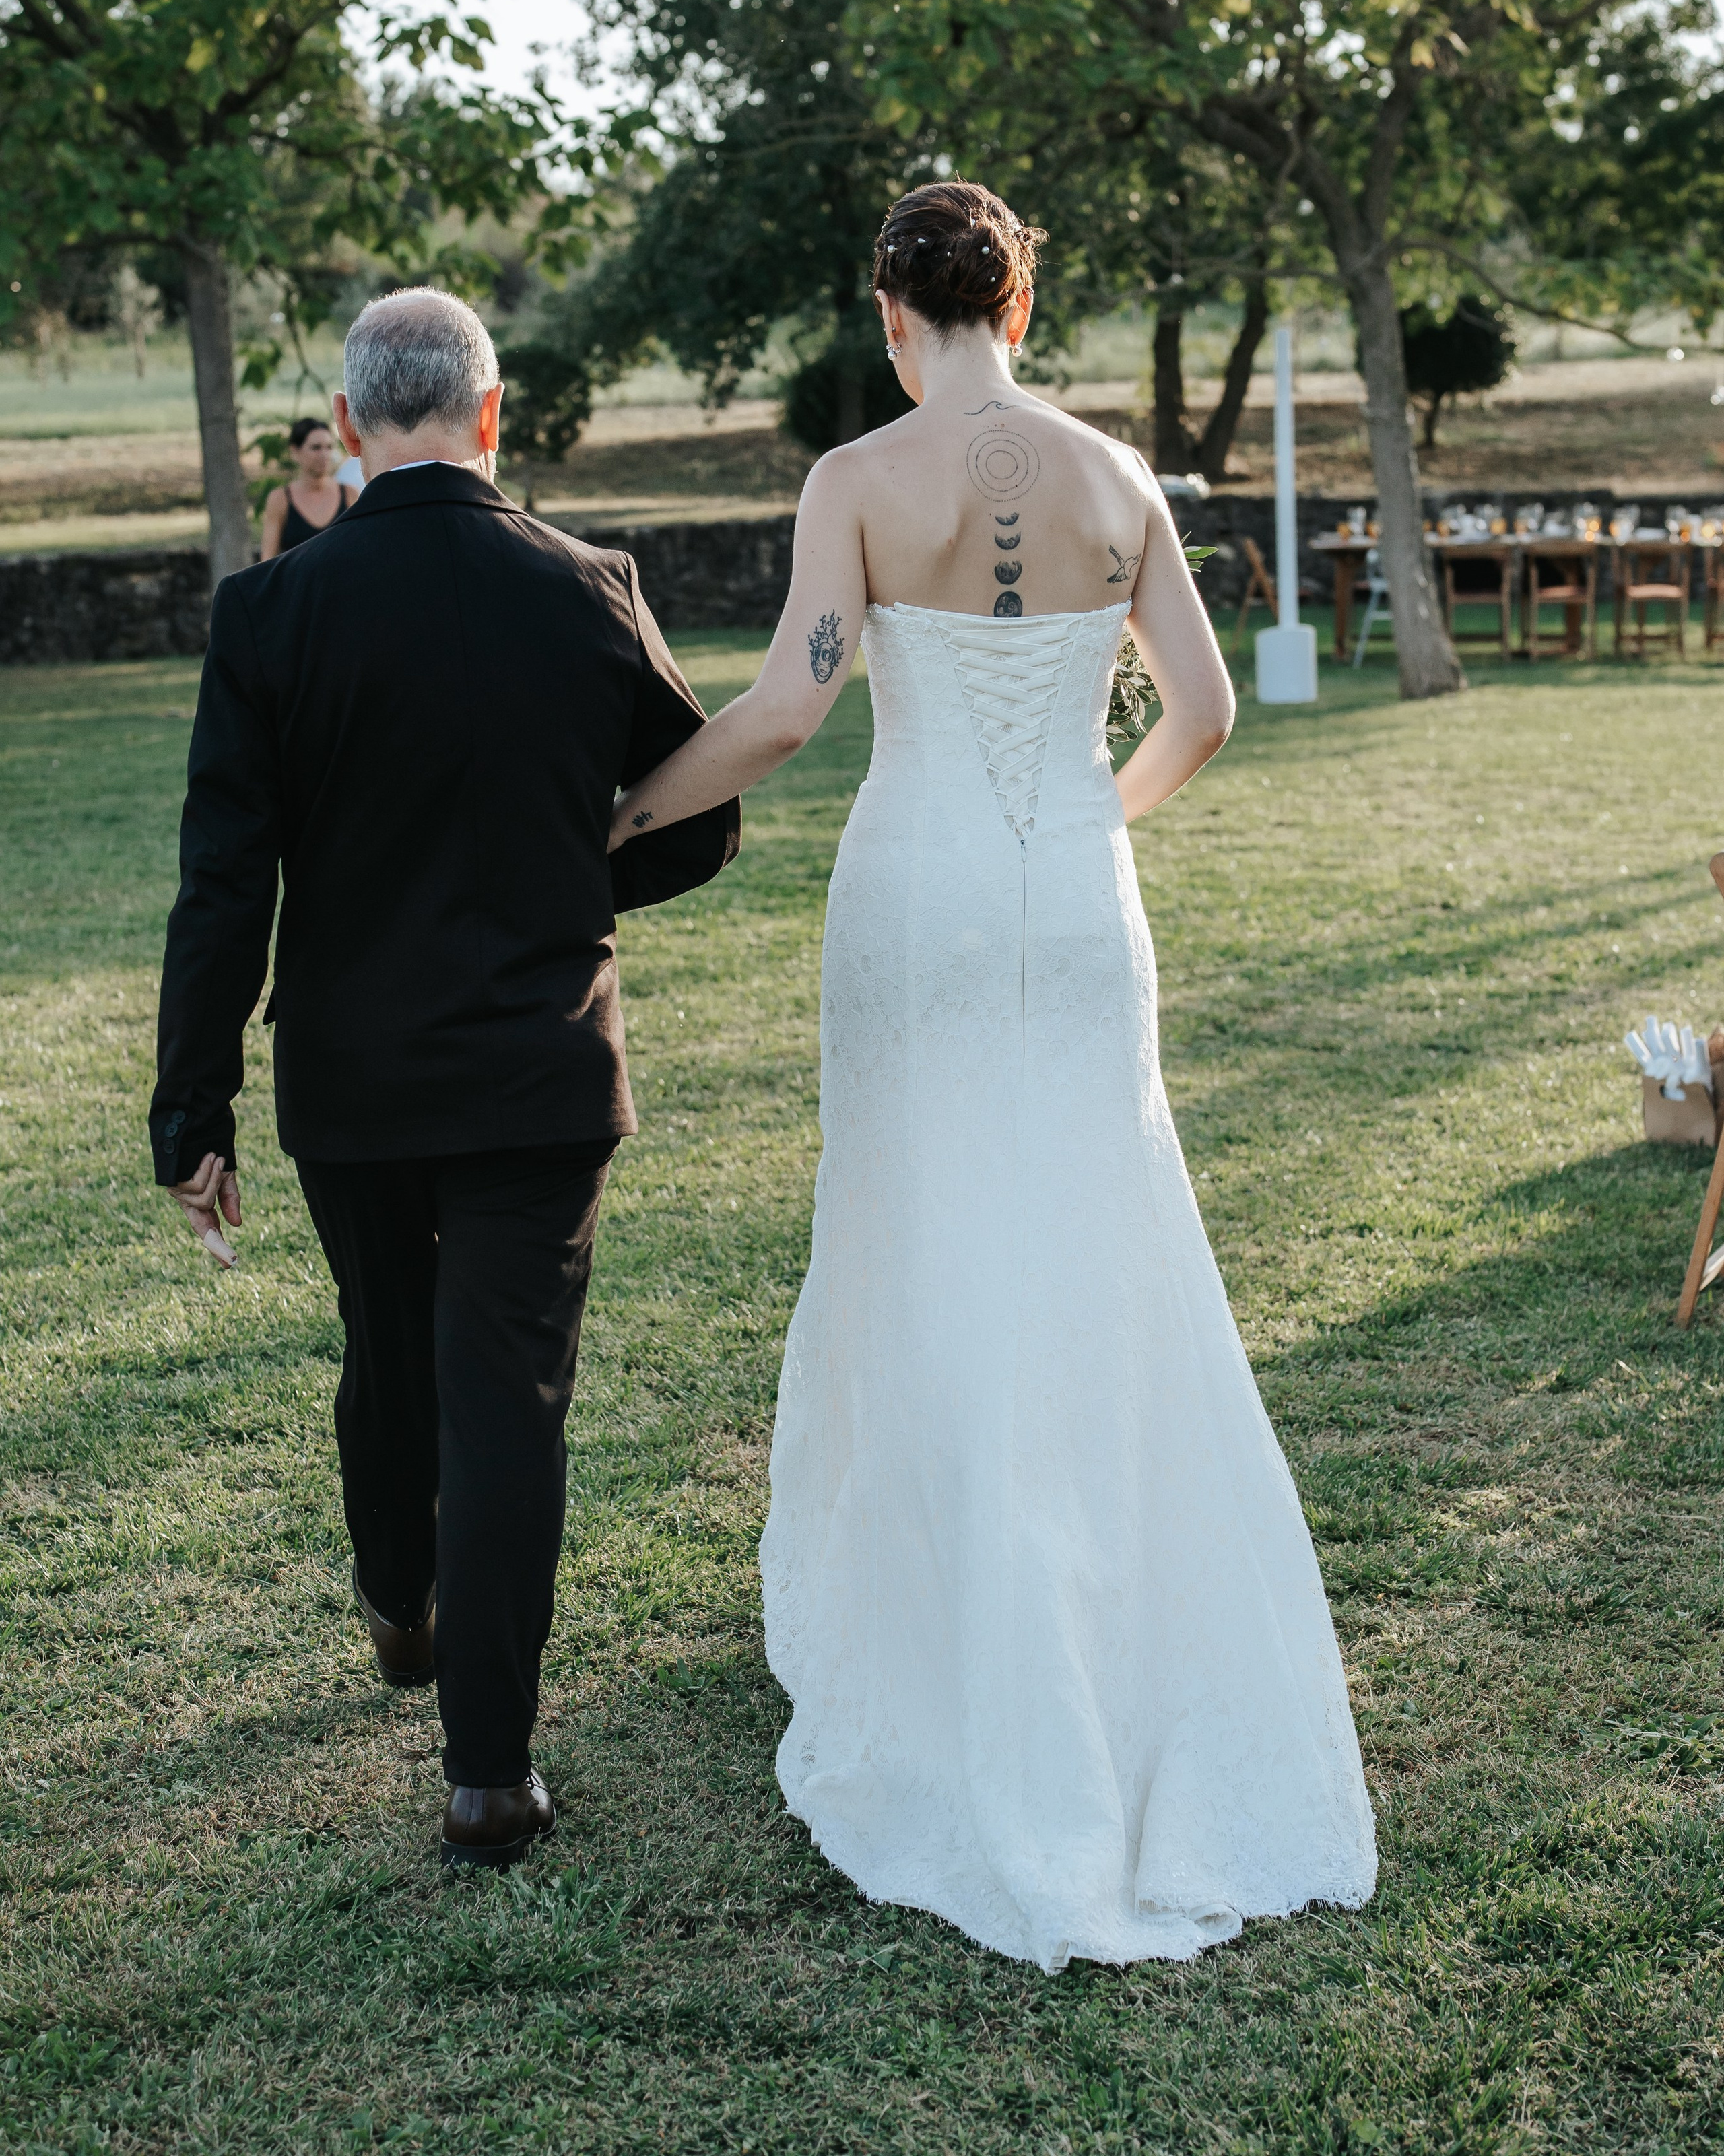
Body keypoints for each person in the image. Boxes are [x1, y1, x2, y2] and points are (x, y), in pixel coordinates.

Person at [607, 181, 1377, 1971]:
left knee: (924, 1249)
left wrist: (633, 808)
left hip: (918, 901)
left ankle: (962, 1638)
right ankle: (1118, 1627)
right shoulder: (1119, 482)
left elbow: (793, 709)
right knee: (1099, 1256)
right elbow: (1205, 712)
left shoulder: (857, 482)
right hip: (1076, 917)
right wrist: (1084, 834)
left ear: (895, 310)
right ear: (1017, 303)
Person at [150, 289, 739, 1869]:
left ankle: (400, 1600)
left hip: (349, 1080)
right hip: (538, 1067)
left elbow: (224, 884)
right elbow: (696, 817)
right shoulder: (586, 586)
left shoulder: (271, 611)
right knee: (506, 1399)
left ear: (350, 429)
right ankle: (486, 1772)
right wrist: (567, 879)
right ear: (494, 417)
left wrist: (187, 1115)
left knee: (388, 1347)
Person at [259, 415, 351, 555]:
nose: (324, 454)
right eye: (316, 448)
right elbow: (268, 558)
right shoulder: (280, 499)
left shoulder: (350, 494)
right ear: (295, 452)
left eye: (329, 447)